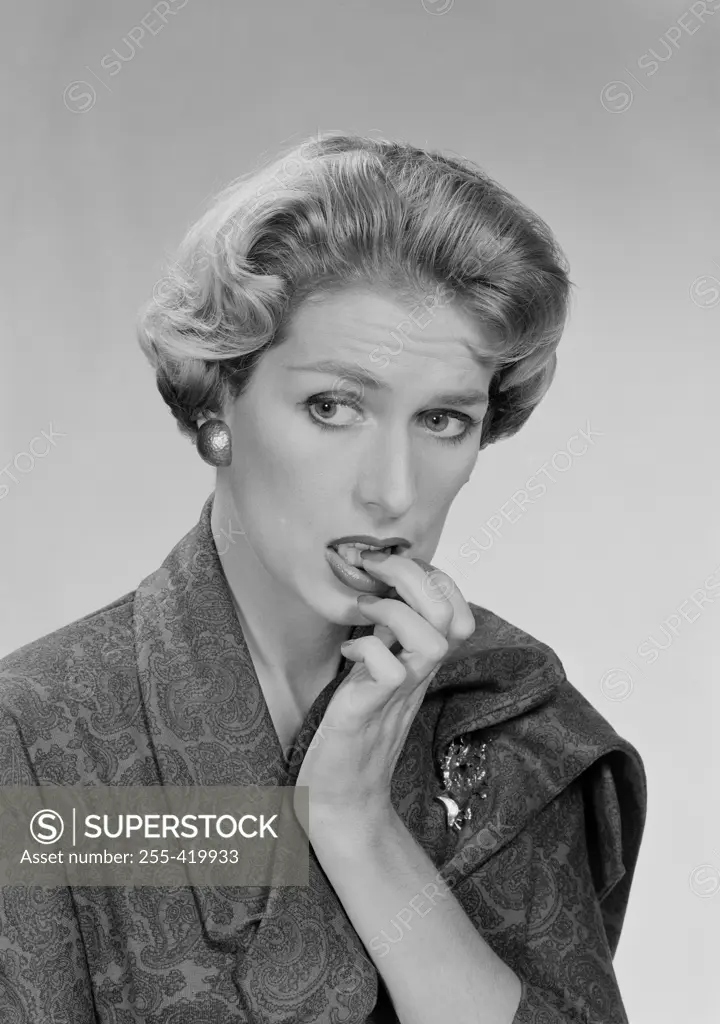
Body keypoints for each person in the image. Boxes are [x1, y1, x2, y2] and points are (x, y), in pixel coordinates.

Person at [0, 132, 646, 1024]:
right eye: (333, 407)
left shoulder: (507, 719)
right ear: (216, 403)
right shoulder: (39, 742)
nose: (391, 491)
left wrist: (356, 824)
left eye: (444, 420)